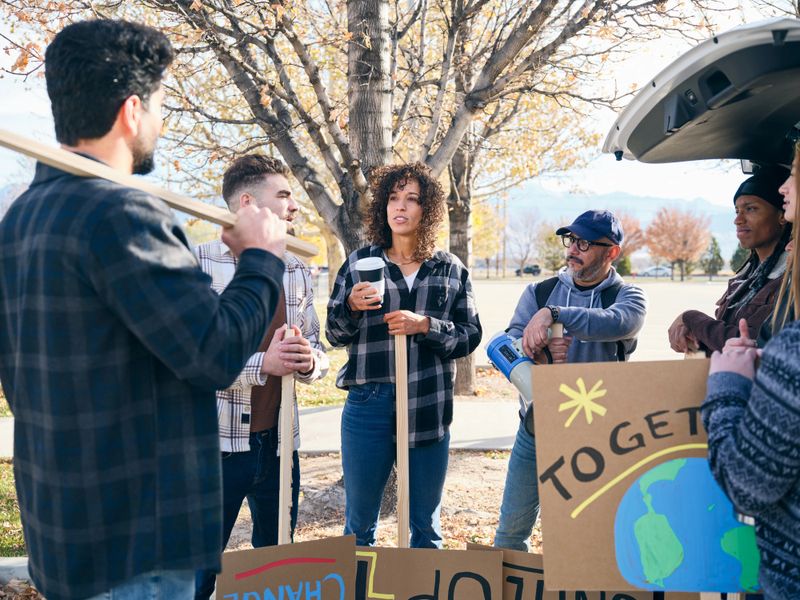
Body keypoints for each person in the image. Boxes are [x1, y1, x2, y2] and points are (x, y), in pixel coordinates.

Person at [0, 20, 287, 600]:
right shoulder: (124, 214)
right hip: (135, 547)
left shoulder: (19, 220)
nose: (161, 122)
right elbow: (214, 354)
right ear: (132, 111)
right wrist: (261, 258)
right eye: (159, 105)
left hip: (65, 535)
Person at [193, 155, 329, 599]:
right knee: (197, 574)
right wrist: (261, 366)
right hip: (215, 448)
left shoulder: (295, 268)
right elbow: (191, 362)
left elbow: (318, 349)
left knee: (276, 569)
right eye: (284, 195)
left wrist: (309, 362)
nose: (295, 207)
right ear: (248, 203)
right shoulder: (197, 265)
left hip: (278, 446)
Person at [326, 162, 482, 548]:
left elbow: (470, 336)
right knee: (359, 529)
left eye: (412, 199)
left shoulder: (450, 269)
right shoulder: (360, 264)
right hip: (369, 402)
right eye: (393, 198)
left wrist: (426, 326)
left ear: (426, 210)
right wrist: (350, 305)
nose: (400, 207)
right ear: (383, 207)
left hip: (429, 402)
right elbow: (333, 333)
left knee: (425, 529)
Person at [493, 210, 647, 551]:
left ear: (612, 253)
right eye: (571, 240)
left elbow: (618, 323)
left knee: (586, 541)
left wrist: (556, 315)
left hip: (600, 438)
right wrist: (539, 350)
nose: (573, 249)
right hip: (537, 428)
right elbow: (509, 346)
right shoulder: (540, 291)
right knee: (509, 537)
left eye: (585, 243)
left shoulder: (628, 297)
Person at [703, 159, 800, 598]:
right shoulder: (749, 273)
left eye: (793, 177)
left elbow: (748, 485)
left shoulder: (791, 350)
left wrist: (727, 385)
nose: (786, 188)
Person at [668, 166, 790, 355]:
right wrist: (694, 336)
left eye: (750, 209)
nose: (738, 220)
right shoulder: (744, 280)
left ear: (782, 215)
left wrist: (692, 319)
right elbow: (723, 343)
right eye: (736, 211)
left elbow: (753, 345)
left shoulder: (789, 279)